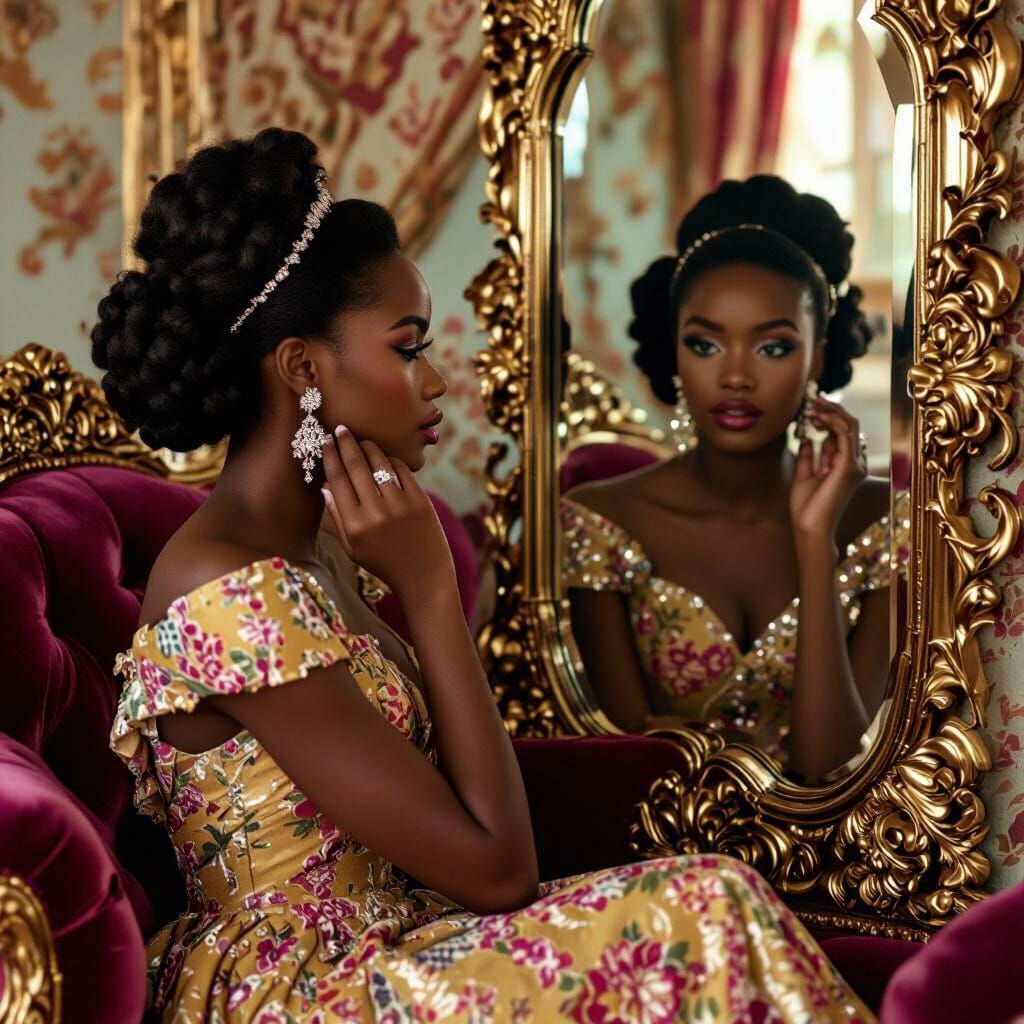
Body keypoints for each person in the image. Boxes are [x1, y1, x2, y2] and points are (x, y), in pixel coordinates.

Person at [97, 130, 872, 1021]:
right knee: (707, 908)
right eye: (406, 346)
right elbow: (501, 872)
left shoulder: (323, 551)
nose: (434, 383)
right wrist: (429, 592)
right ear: (305, 368)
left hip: (399, 936)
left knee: (714, 895)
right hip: (298, 990)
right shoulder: (227, 589)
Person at [563, 176, 908, 779]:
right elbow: (627, 766)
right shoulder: (599, 522)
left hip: (843, 856)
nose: (737, 377)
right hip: (666, 855)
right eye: (705, 344)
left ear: (818, 360)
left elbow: (829, 767)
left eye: (773, 348)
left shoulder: (884, 521)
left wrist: (815, 542)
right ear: (673, 351)